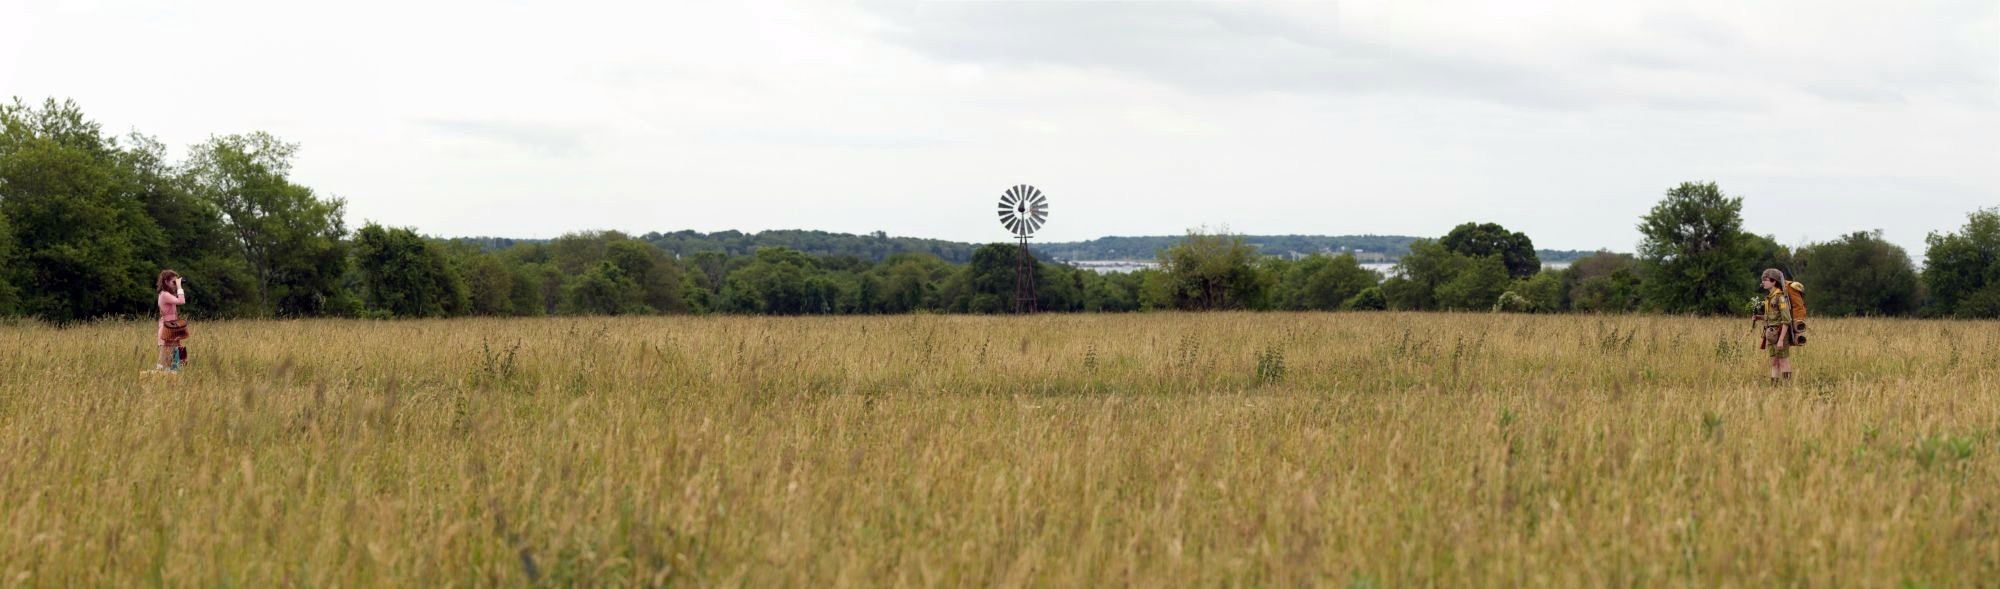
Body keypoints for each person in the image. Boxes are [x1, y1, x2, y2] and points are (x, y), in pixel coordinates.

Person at [1753, 268, 1793, 384]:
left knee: (1783, 361)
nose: (1763, 282)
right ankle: (1774, 387)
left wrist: (1781, 340)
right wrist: (1759, 317)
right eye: (1763, 280)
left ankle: (1787, 387)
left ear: (1773, 281)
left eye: (1766, 280)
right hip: (1770, 335)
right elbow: (1770, 317)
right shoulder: (1768, 298)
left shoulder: (1780, 297)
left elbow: (1786, 320)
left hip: (1780, 334)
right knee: (1774, 362)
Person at [156, 270, 186, 372]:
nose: (175, 284)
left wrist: (177, 285)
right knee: (165, 351)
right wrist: (179, 287)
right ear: (166, 281)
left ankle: (170, 373)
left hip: (172, 326)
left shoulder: (168, 294)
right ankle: (158, 372)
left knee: (173, 351)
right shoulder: (164, 294)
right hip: (167, 326)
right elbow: (181, 301)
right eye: (173, 282)